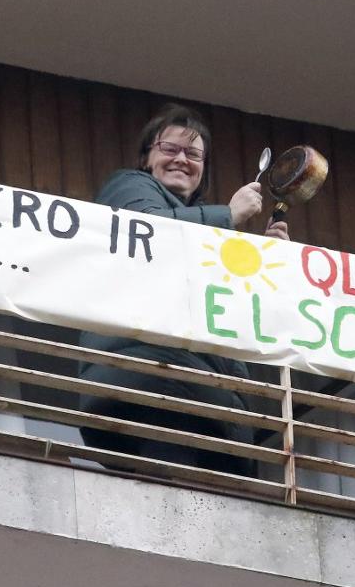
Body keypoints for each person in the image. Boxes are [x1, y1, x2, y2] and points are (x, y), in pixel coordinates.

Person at [78, 104, 289, 476]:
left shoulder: (210, 236)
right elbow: (148, 233)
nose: (181, 159)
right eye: (169, 149)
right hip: (153, 385)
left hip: (207, 403)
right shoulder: (128, 186)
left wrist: (268, 258)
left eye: (193, 153)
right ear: (146, 158)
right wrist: (229, 215)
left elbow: (240, 312)